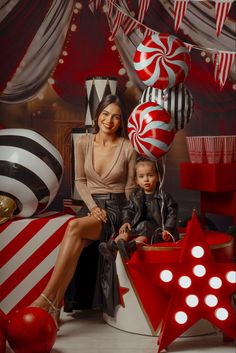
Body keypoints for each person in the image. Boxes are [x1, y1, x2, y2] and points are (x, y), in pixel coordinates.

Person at [31, 94, 137, 324]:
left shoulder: (128, 147)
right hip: (91, 207)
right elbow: (79, 181)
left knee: (73, 226)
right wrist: (92, 206)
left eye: (116, 117)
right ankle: (53, 306)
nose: (109, 120)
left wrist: (132, 220)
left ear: (121, 122)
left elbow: (130, 190)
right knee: (76, 236)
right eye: (106, 114)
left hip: (115, 209)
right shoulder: (83, 143)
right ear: (98, 115)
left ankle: (46, 298)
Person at [99, 157, 179, 261]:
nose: (146, 179)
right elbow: (129, 209)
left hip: (157, 228)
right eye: (141, 176)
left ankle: (132, 247)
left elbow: (172, 212)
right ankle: (113, 245)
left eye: (150, 175)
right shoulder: (135, 195)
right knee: (127, 229)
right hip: (138, 225)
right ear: (136, 180)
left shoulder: (163, 196)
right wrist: (126, 221)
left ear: (158, 177)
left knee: (145, 226)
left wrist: (167, 229)